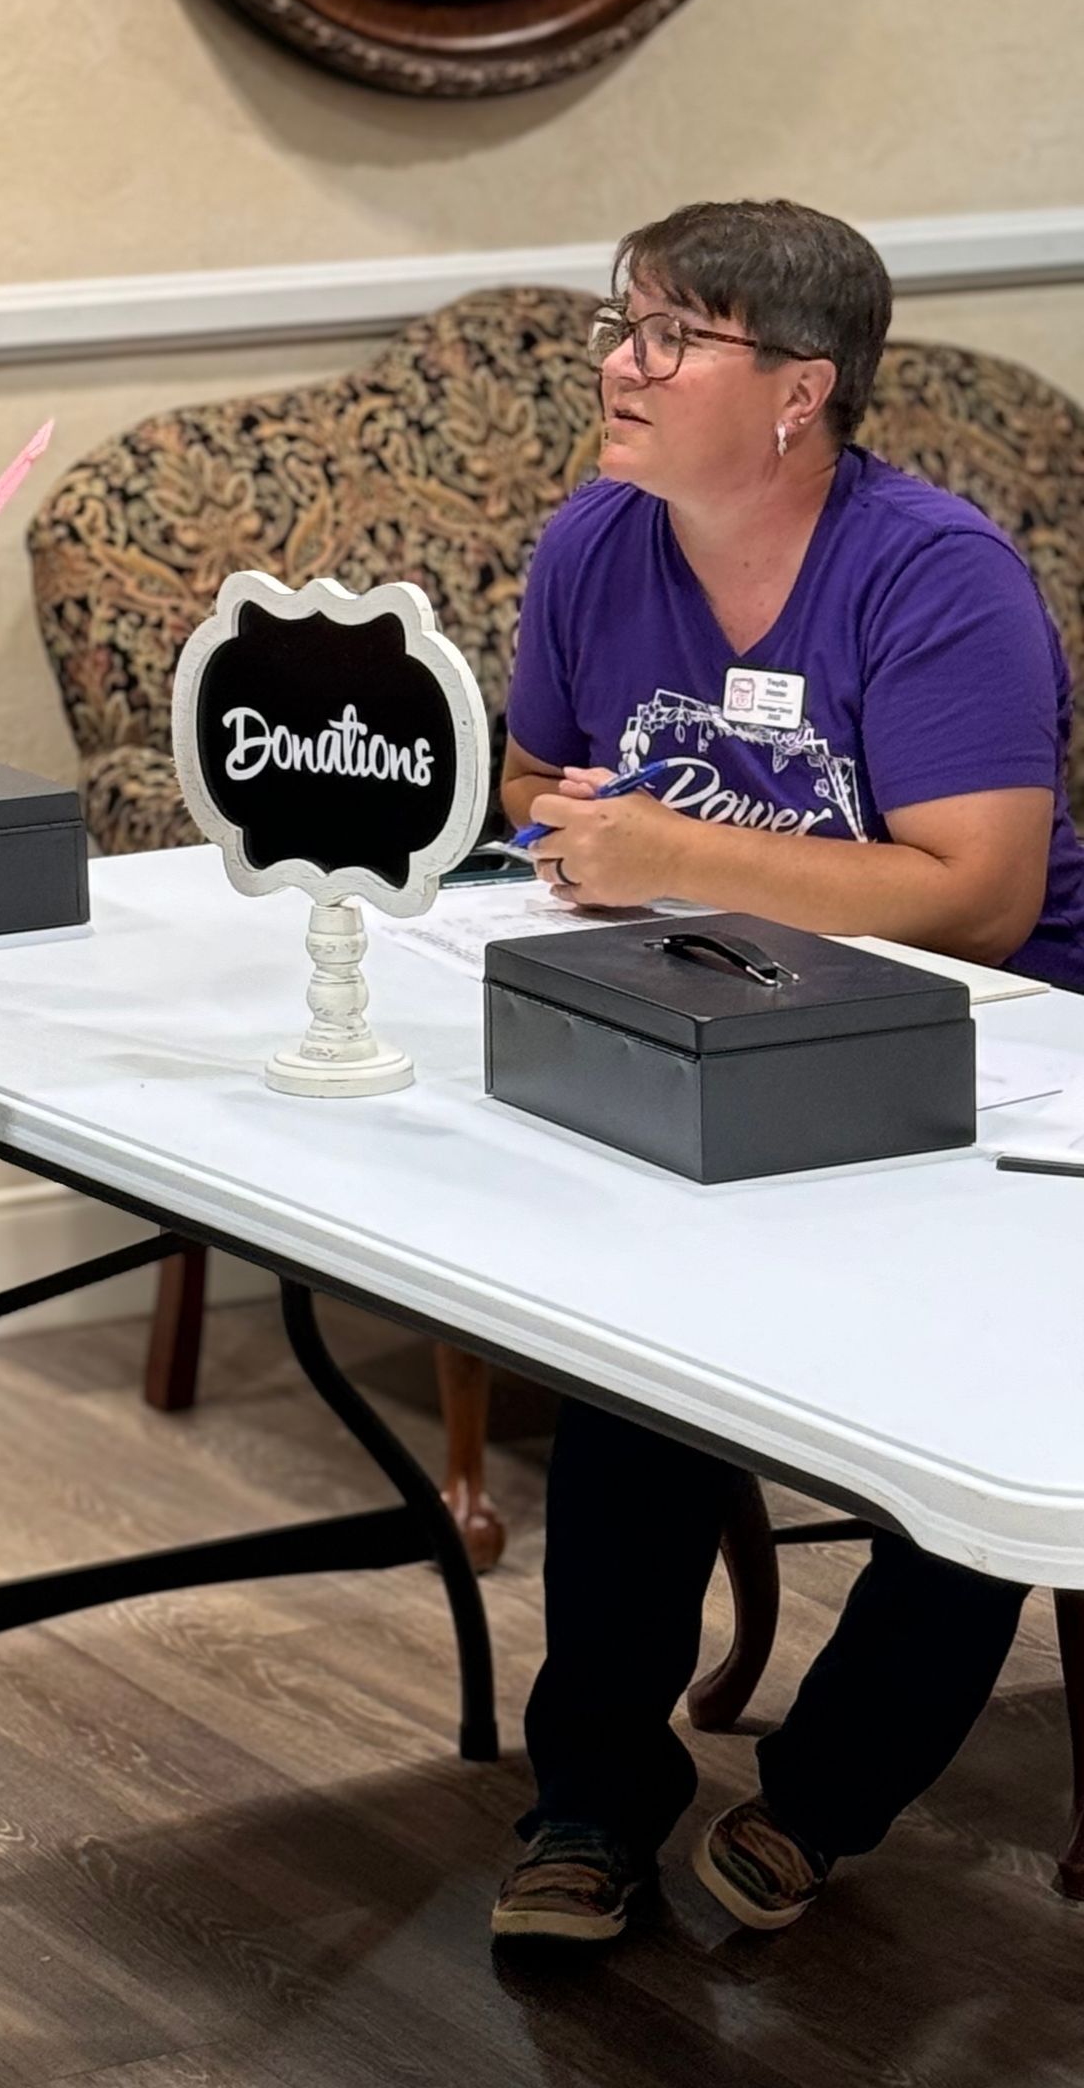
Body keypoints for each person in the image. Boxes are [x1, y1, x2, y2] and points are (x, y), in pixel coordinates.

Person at [489, 197, 1084, 1944]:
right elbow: (537, 777)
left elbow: (971, 904)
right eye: (622, 320)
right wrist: (585, 832)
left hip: (973, 1065)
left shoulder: (932, 572)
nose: (619, 359)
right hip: (708, 1028)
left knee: (976, 1415)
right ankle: (592, 1799)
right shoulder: (601, 539)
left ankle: (826, 1796)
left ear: (799, 391)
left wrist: (672, 848)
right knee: (625, 1367)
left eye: (672, 336)